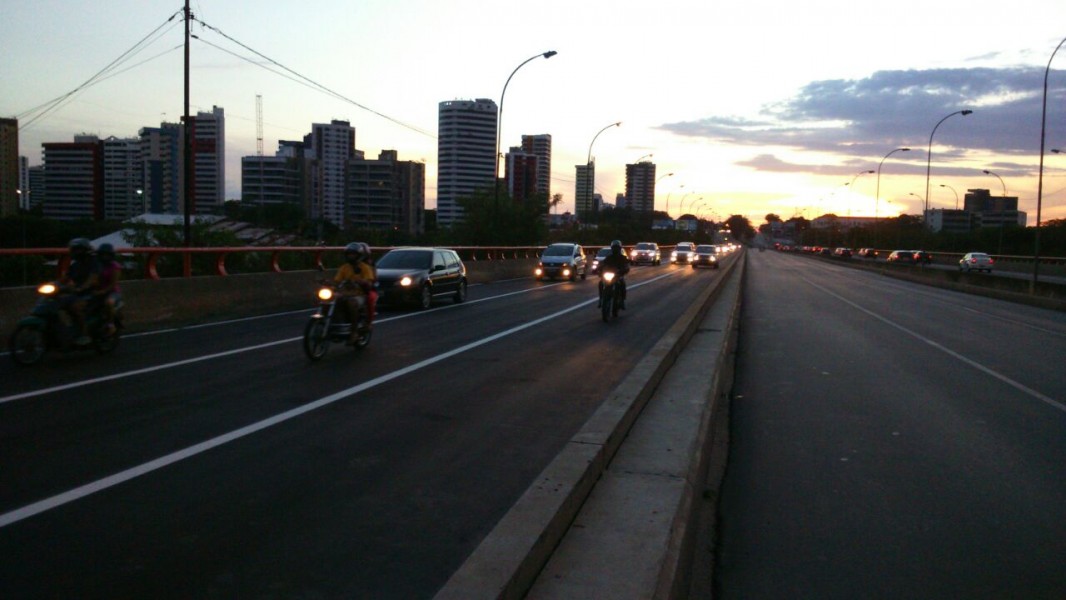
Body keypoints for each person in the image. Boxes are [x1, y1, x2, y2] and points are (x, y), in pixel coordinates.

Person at [59, 238, 100, 345]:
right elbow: (65, 278)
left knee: (76, 308)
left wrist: (81, 288)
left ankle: (84, 333)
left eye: (77, 250)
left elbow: (93, 279)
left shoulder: (94, 262)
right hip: (77, 293)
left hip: (91, 293)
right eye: (73, 250)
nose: (74, 252)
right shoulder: (75, 265)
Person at [334, 241, 375, 344]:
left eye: (353, 254)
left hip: (359, 294)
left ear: (359, 255)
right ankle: (336, 325)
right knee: (331, 301)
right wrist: (328, 284)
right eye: (349, 254)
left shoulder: (365, 268)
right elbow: (337, 281)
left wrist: (362, 281)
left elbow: (369, 282)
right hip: (345, 294)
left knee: (352, 303)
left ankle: (354, 331)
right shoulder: (344, 268)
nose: (350, 256)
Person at [94, 243, 122, 335]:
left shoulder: (115, 266)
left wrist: (102, 291)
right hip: (97, 290)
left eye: (107, 255)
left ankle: (111, 324)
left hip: (112, 291)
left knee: (109, 302)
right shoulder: (97, 265)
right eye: (102, 254)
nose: (104, 257)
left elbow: (113, 284)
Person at [597, 239, 630, 310]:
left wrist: (624, 270)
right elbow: (603, 263)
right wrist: (599, 269)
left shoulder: (622, 258)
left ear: (619, 248)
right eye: (614, 248)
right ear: (612, 248)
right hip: (609, 275)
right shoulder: (609, 257)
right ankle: (601, 298)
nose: (615, 249)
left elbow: (626, 266)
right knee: (600, 283)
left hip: (618, 275)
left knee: (622, 284)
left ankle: (622, 300)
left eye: (617, 248)